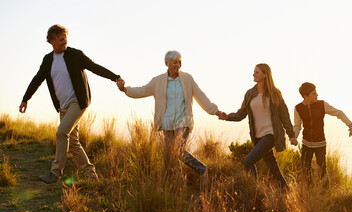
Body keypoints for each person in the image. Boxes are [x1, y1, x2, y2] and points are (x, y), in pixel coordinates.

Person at [19, 24, 122, 184]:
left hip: (78, 102)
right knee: (73, 143)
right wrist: (25, 98)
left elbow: (94, 67)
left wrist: (115, 77)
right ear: (52, 41)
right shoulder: (48, 60)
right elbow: (37, 79)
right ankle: (91, 175)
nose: (64, 42)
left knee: (61, 133)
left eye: (65, 38)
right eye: (61, 39)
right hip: (63, 106)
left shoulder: (75, 55)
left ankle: (55, 172)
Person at [116, 50, 221, 186]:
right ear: (167, 63)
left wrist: (215, 111)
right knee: (170, 156)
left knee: (177, 150)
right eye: (174, 62)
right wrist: (125, 89)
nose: (177, 65)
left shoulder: (187, 79)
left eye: (179, 62)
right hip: (167, 123)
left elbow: (201, 96)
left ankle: (202, 169)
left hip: (183, 122)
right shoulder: (158, 81)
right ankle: (177, 183)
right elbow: (141, 90)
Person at [219, 63, 297, 189]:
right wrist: (227, 116)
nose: (253, 74)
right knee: (272, 166)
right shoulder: (249, 94)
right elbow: (241, 113)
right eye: (254, 72)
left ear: (265, 75)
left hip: (271, 134)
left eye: (257, 72)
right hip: (258, 136)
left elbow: (284, 116)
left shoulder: (275, 94)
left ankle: (254, 190)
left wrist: (291, 135)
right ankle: (286, 190)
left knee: (248, 161)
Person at [294, 82, 352, 187]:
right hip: (306, 144)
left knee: (322, 170)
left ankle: (325, 193)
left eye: (316, 92)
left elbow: (339, 113)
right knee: (305, 170)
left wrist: (351, 126)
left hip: (320, 144)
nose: (317, 95)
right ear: (306, 96)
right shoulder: (298, 108)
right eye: (314, 93)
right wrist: (294, 137)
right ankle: (308, 194)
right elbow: (297, 126)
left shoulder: (322, 105)